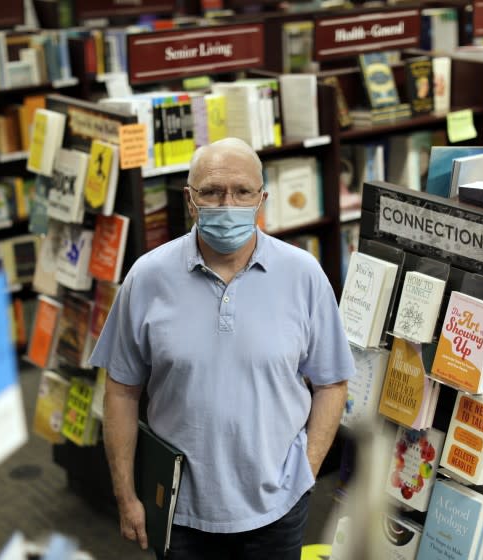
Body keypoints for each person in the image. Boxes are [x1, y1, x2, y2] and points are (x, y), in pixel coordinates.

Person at [89, 137, 355, 559]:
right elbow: (121, 391)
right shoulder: (147, 278)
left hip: (279, 507)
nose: (227, 203)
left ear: (261, 198)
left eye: (242, 191)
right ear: (190, 200)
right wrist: (126, 496)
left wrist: (306, 469)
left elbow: (332, 382)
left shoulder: (303, 275)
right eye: (211, 191)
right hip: (181, 511)